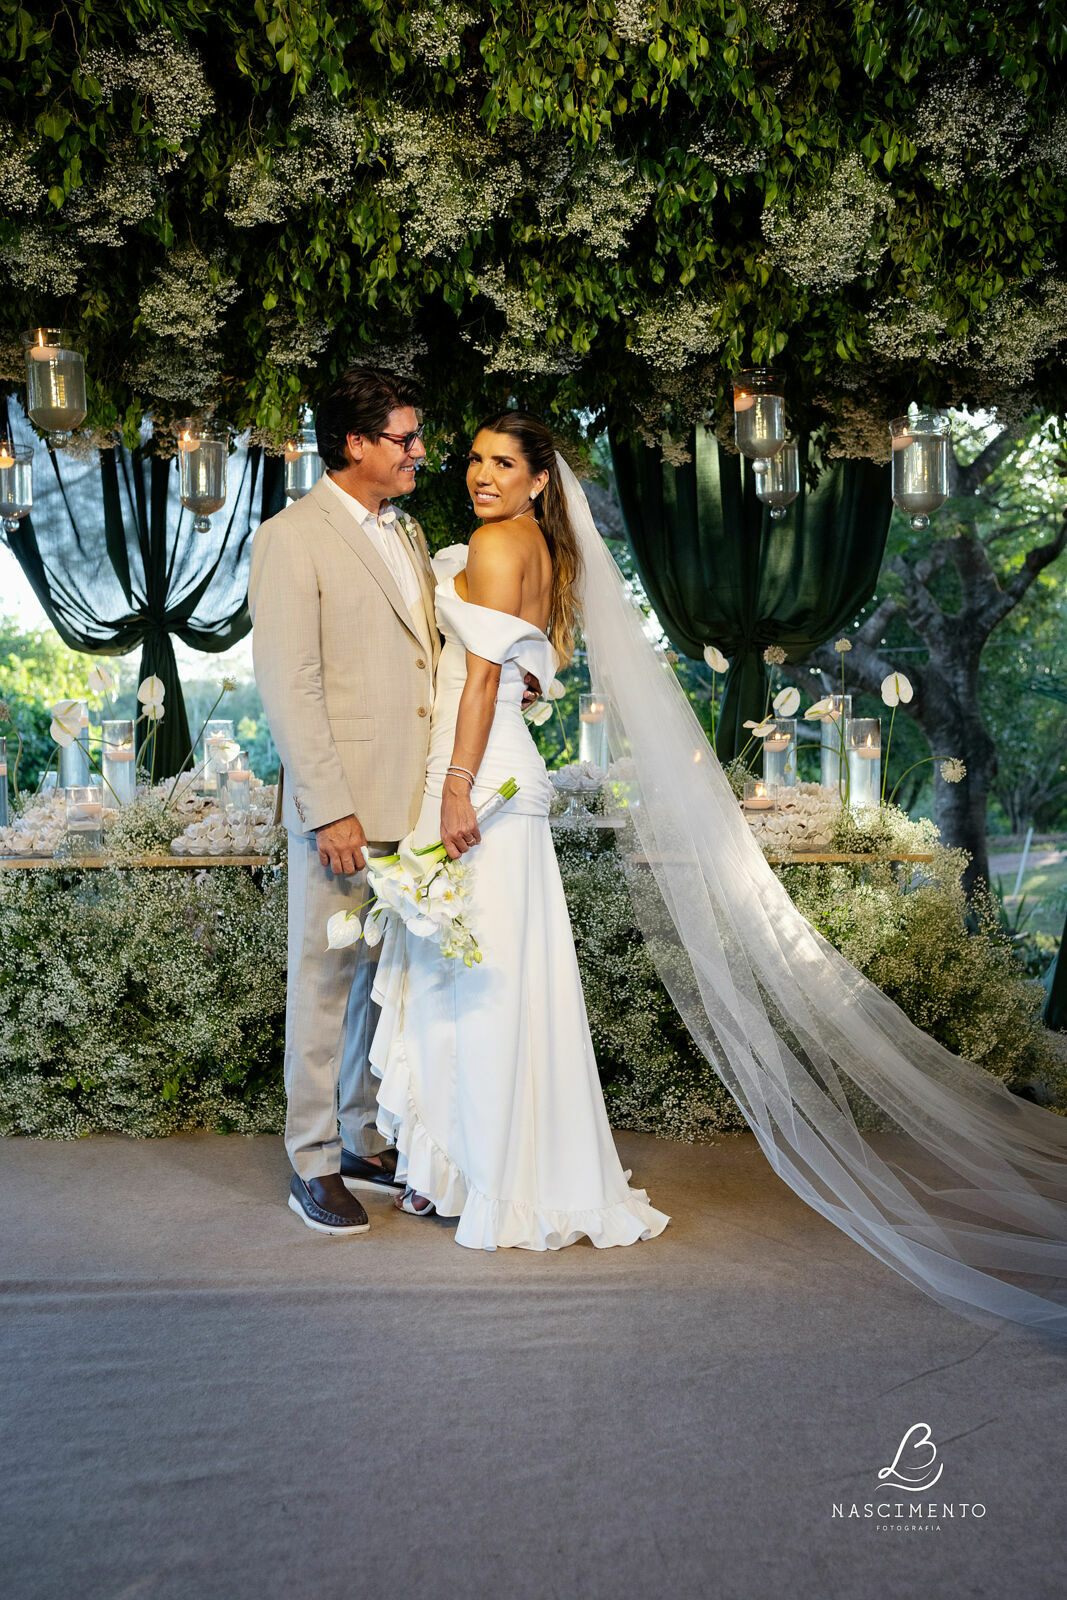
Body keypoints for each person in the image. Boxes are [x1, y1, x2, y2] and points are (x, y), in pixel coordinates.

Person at [369, 411, 670, 1249]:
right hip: (503, 761)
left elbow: (482, 681)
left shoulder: (500, 544)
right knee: (494, 971)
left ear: (540, 479)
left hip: (478, 770)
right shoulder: (533, 548)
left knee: (472, 975)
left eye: (502, 463)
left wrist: (457, 787)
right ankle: (470, 1167)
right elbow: (526, 672)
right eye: (472, 459)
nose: (479, 474)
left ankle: (477, 1173)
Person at [249, 366, 440, 1236]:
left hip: (412, 801)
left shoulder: (408, 533)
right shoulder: (291, 537)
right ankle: (312, 1159)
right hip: (345, 805)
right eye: (403, 438)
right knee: (324, 982)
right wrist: (328, 807)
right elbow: (291, 684)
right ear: (353, 443)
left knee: (380, 983)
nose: (418, 452)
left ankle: (363, 1136)